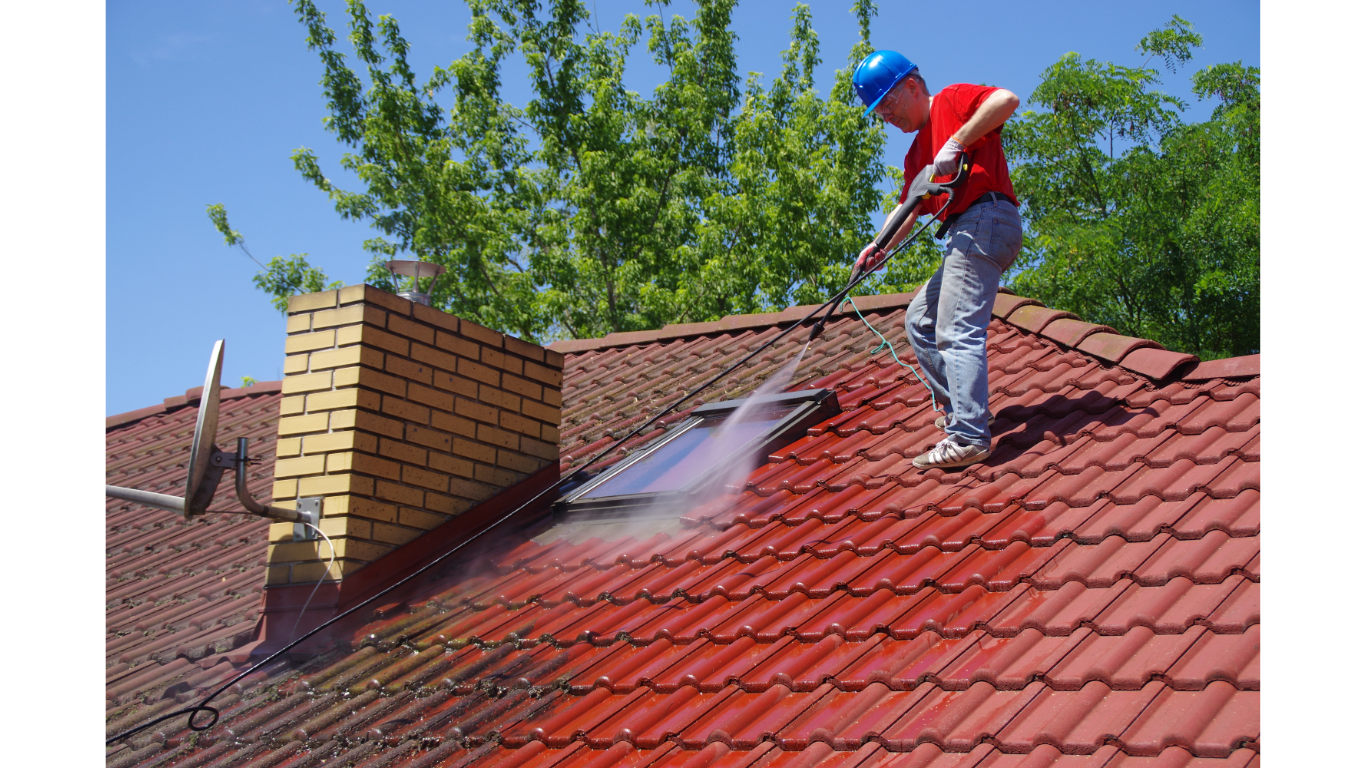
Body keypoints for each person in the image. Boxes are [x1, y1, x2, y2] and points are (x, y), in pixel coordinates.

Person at [851, 50, 1023, 470]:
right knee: (920, 322)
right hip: (969, 230)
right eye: (879, 112)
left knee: (954, 327)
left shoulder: (951, 100)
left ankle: (968, 436)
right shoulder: (915, 155)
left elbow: (1007, 99)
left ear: (911, 86)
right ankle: (964, 414)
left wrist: (958, 141)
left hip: (987, 217)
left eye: (887, 104)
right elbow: (910, 206)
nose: (886, 117)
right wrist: (878, 246)